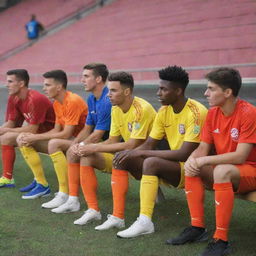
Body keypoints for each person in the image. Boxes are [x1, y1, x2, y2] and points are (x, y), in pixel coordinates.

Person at [167, 68, 256, 256]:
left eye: (211, 89)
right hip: (226, 170)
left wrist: (203, 160)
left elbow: (240, 156)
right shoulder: (212, 113)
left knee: (220, 171)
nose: (205, 93)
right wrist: (193, 159)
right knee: (192, 168)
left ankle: (221, 240)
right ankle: (197, 228)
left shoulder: (249, 113)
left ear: (228, 92)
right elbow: (202, 147)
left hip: (250, 170)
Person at [51, 71, 156, 230]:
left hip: (147, 159)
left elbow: (132, 145)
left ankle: (118, 217)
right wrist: (86, 148)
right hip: (130, 155)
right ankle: (91, 209)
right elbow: (113, 140)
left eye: (113, 90)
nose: (109, 95)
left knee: (119, 157)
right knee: (87, 156)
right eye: (109, 90)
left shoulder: (142, 109)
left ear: (127, 92)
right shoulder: (116, 108)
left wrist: (95, 146)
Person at [113, 65, 208, 238]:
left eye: (163, 89)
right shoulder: (164, 110)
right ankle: (117, 216)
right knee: (123, 158)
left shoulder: (196, 112)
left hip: (193, 170)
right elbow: (149, 144)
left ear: (178, 91)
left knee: (150, 161)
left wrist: (140, 153)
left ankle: (145, 222)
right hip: (175, 167)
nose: (158, 93)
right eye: (159, 88)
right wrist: (132, 153)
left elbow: (183, 154)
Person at [41, 63, 112, 209]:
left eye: (86, 76)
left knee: (70, 149)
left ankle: (70, 196)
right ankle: (69, 198)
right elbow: (87, 129)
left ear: (98, 79)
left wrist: (80, 145)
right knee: (70, 149)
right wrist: (77, 144)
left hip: (112, 148)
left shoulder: (107, 99)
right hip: (100, 144)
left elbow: (97, 134)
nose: (82, 80)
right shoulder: (92, 99)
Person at [17, 70, 88, 200]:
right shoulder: (56, 103)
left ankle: (64, 193)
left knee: (54, 143)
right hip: (73, 140)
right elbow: (56, 131)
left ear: (59, 87)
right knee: (23, 138)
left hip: (86, 141)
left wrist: (36, 137)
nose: (44, 88)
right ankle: (41, 183)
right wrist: (32, 137)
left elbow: (66, 134)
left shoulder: (72, 101)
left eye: (48, 85)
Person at [0, 69, 55, 188]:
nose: (6, 84)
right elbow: (11, 123)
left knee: (8, 137)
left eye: (10, 82)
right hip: (38, 135)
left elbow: (32, 130)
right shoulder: (14, 97)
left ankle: (40, 183)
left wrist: (4, 131)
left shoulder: (35, 99)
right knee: (5, 136)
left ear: (21, 84)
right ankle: (7, 178)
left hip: (51, 137)